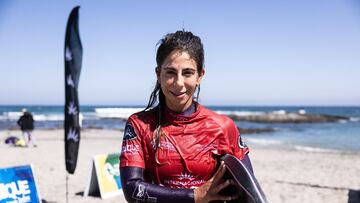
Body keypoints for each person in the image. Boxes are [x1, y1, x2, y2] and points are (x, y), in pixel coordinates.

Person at [120, 30, 253, 203]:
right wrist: (194, 196)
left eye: (188, 73)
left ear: (200, 76)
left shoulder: (223, 127)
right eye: (170, 72)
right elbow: (132, 189)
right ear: (158, 74)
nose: (179, 83)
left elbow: (249, 191)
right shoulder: (139, 125)